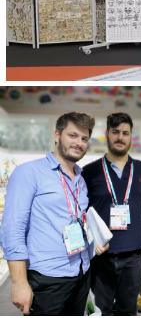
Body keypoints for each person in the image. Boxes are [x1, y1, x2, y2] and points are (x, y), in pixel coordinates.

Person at [0, 112, 105, 315]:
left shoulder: (80, 179)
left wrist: (94, 241)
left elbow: (77, 221)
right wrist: (19, 283)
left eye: (84, 139)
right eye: (73, 135)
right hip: (48, 279)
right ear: (57, 135)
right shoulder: (28, 173)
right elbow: (12, 229)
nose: (79, 143)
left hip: (81, 273)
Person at [83, 112, 141, 316]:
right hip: (100, 256)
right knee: (101, 311)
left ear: (131, 136)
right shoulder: (90, 172)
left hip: (133, 257)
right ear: (107, 134)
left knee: (128, 310)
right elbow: (79, 213)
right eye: (115, 132)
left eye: (125, 133)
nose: (120, 137)